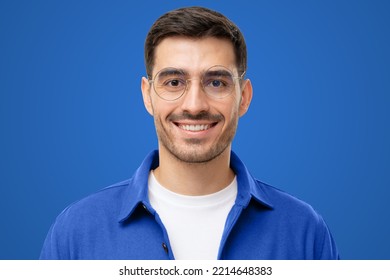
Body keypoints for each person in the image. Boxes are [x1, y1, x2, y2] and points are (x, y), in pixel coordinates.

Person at [40, 6, 339, 260]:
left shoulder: (304, 232)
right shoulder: (76, 232)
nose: (194, 105)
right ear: (147, 95)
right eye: (174, 82)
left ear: (244, 97)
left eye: (216, 83)